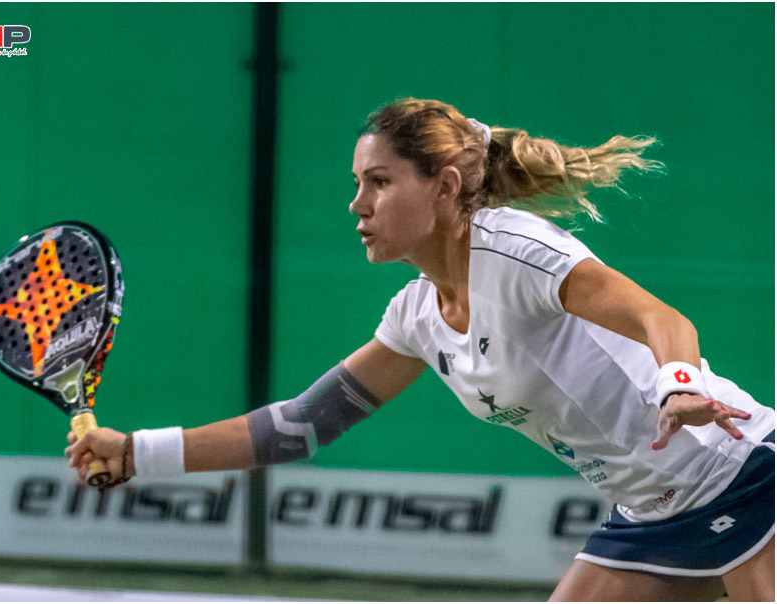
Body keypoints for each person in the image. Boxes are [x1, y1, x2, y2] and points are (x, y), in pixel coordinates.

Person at [65, 98, 774, 601]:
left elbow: (659, 316)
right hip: (651, 512)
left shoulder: (516, 250)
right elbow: (301, 426)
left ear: (445, 186)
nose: (357, 205)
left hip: (739, 473)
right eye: (357, 184)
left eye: (379, 182)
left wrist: (679, 386)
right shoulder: (414, 318)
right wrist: (137, 453)